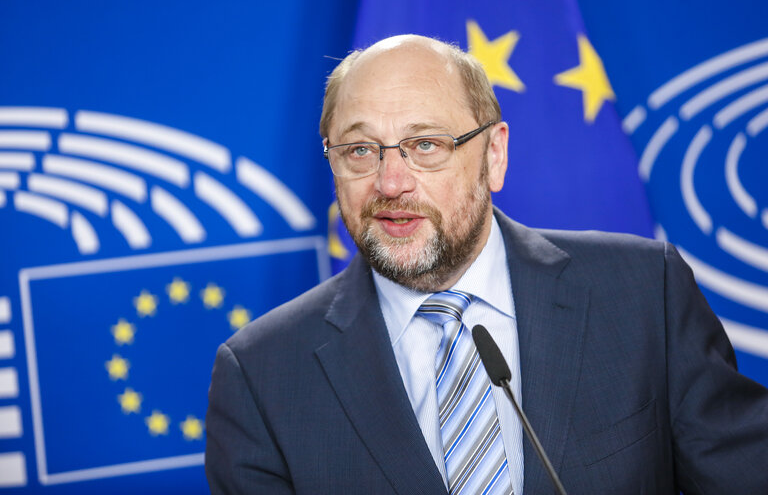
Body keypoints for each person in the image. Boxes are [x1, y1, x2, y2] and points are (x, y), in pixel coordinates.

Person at [205, 35, 768, 494]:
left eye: (426, 144)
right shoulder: (259, 376)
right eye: (359, 150)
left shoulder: (646, 292)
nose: (390, 182)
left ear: (493, 155)